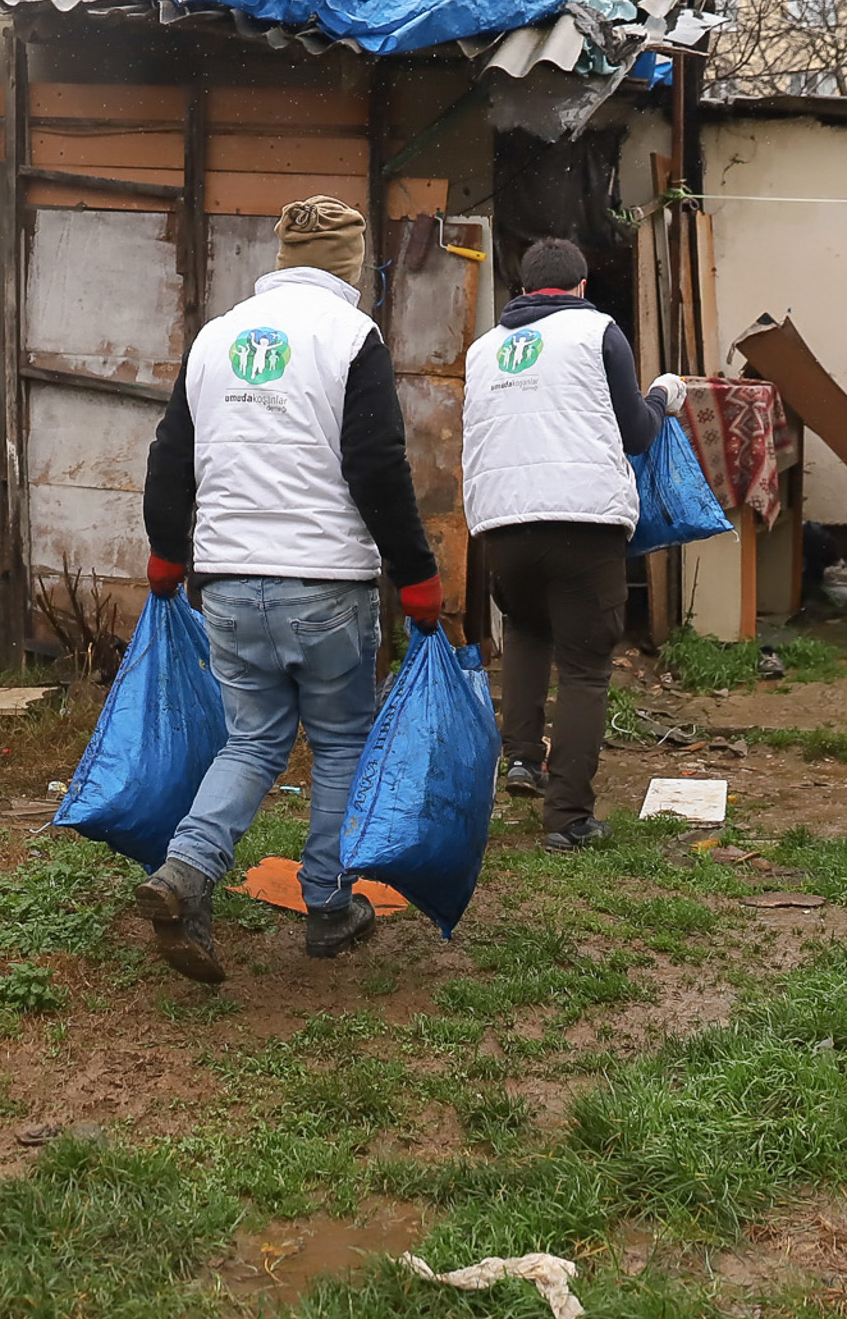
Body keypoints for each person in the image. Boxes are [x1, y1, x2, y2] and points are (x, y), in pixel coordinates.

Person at [136, 195, 441, 983]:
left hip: (228, 584)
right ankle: (330, 908)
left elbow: (170, 457)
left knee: (252, 741)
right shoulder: (351, 336)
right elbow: (378, 467)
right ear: (353, 264)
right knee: (339, 742)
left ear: (282, 257)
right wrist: (418, 575)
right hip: (325, 585)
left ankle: (186, 870)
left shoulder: (215, 338)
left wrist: (168, 556)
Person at [462, 236, 684, 852]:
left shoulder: (483, 350)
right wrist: (664, 397)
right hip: (582, 521)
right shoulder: (599, 334)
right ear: (582, 286)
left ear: (524, 289)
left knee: (529, 635)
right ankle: (568, 817)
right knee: (586, 669)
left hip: (501, 524)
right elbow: (637, 433)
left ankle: (522, 761)